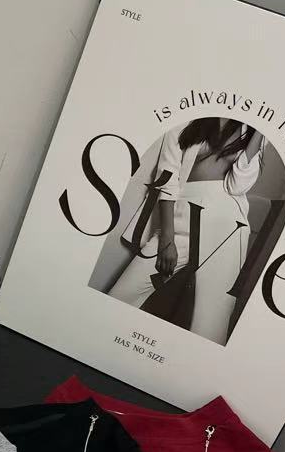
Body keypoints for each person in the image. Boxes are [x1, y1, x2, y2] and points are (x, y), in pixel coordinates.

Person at [106, 119, 265, 343]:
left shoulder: (252, 132)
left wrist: (260, 130)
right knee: (120, 296)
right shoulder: (189, 118)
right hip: (181, 216)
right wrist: (167, 238)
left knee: (209, 326)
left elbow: (238, 186)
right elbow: (167, 180)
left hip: (227, 228)